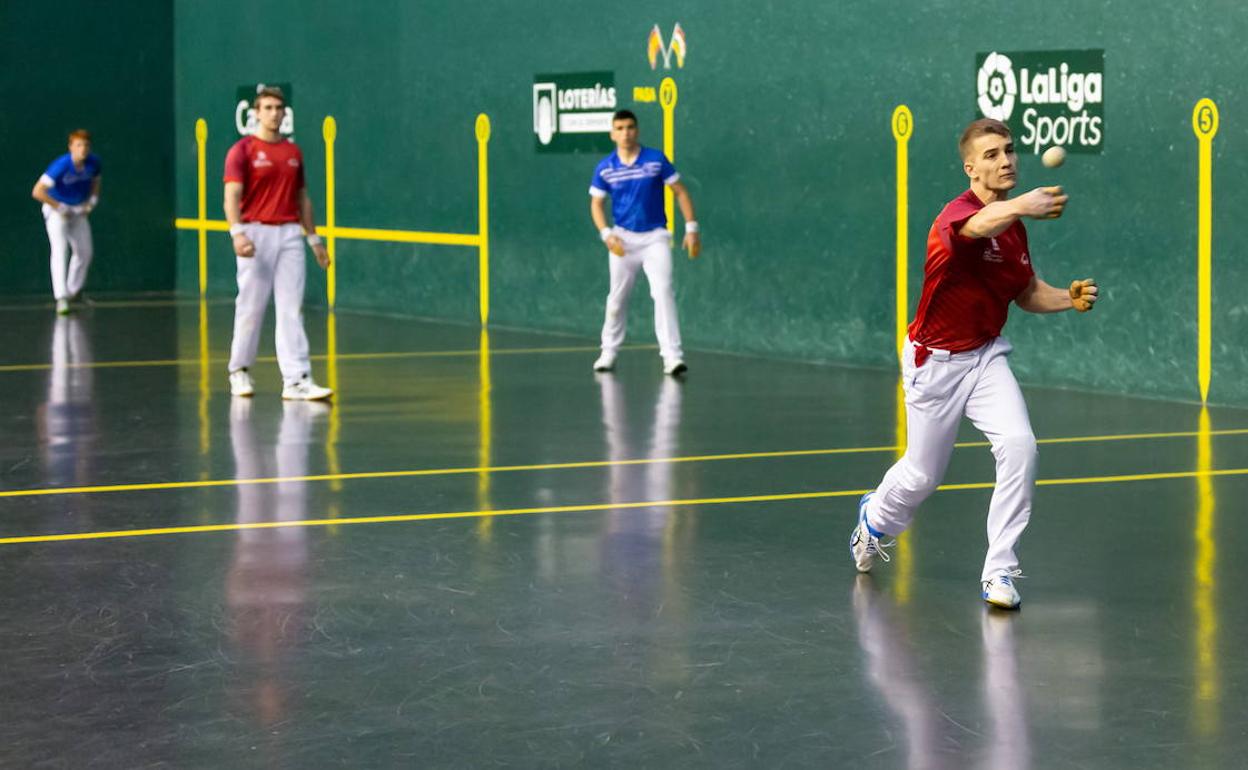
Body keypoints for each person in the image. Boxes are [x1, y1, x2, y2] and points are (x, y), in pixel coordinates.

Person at [849, 118, 1099, 609]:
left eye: (1009, 150)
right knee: (922, 475)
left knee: (1020, 446)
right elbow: (977, 227)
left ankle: (999, 571)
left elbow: (1025, 292)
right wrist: (1021, 204)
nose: (1006, 160)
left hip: (984, 356)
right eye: (991, 155)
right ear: (970, 168)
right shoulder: (956, 216)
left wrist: (1066, 299)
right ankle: (874, 519)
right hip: (934, 363)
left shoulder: (1014, 232)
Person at [223, 85, 332, 400]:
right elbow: (231, 195)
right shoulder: (241, 151)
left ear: (284, 113)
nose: (274, 113)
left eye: (278, 108)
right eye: (267, 108)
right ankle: (239, 370)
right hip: (254, 233)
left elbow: (302, 198)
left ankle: (297, 379)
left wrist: (314, 239)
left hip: (290, 234)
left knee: (291, 308)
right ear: (256, 113)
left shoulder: (293, 153)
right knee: (251, 305)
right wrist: (237, 232)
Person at [589, 109, 700, 376]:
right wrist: (606, 234)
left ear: (637, 131)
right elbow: (596, 204)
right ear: (612, 134)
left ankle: (672, 357)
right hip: (622, 240)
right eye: (620, 128)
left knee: (663, 292)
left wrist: (691, 228)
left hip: (655, 238)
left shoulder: (655, 160)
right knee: (617, 298)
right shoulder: (605, 168)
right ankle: (608, 352)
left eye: (630, 127)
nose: (625, 133)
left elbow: (680, 192)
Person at [32, 130, 102, 315]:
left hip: (77, 211)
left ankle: (73, 292)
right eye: (78, 145)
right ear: (71, 147)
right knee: (60, 250)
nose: (83, 149)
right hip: (56, 211)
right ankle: (61, 298)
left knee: (85, 252)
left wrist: (91, 202)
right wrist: (60, 207)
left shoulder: (94, 163)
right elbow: (37, 191)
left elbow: (96, 182)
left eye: (86, 145)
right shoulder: (61, 165)